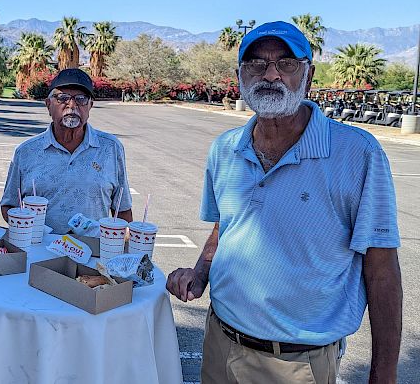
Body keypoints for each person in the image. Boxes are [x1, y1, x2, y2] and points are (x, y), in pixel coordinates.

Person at [166, 21, 402, 384]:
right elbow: (226, 225)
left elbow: (382, 269)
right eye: (256, 64)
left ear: (308, 77)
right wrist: (200, 274)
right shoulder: (225, 149)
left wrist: (383, 375)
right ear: (240, 77)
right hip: (220, 344)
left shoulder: (358, 153)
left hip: (297, 364)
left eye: (287, 63)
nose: (271, 74)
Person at [0, 68, 132, 233]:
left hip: (92, 253)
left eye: (81, 99)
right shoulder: (26, 151)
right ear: (48, 105)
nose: (72, 105)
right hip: (41, 252)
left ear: (90, 106)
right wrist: (29, 229)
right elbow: (9, 205)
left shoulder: (110, 147)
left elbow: (122, 209)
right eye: (62, 98)